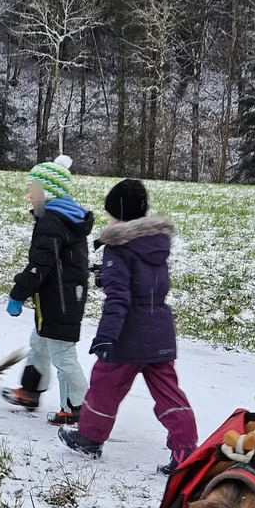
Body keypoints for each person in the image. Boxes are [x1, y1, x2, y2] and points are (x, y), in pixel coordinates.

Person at [59, 178, 198, 473]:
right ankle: (186, 451)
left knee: (104, 385)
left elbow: (119, 299)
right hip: (160, 331)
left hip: (128, 335)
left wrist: (106, 336)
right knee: (168, 392)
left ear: (118, 213)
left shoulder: (118, 246)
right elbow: (146, 285)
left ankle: (89, 438)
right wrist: (107, 275)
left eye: (110, 212)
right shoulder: (155, 245)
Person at [0, 156, 91, 426]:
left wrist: (18, 294)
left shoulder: (52, 222)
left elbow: (41, 265)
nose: (28, 195)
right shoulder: (62, 217)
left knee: (63, 354)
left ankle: (77, 406)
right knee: (39, 344)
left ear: (47, 191)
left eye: (32, 189)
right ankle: (31, 391)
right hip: (58, 297)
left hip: (60, 300)